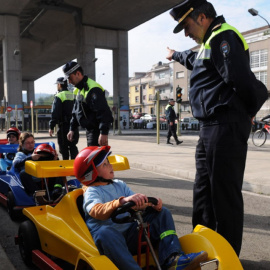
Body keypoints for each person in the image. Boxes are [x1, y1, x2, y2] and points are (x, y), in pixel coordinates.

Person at [166, 0, 268, 256]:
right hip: (210, 128)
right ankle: (204, 249)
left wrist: (245, 114)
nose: (187, 33)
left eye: (187, 26)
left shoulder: (224, 37)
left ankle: (227, 256)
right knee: (204, 191)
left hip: (225, 125)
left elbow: (240, 81)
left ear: (201, 18)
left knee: (224, 195)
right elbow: (192, 59)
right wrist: (174, 55)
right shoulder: (207, 44)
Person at [74, 146, 208, 270]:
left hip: (130, 235)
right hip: (108, 243)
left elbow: (135, 202)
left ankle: (173, 258)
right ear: (91, 174)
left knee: (163, 213)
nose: (111, 165)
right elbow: (96, 210)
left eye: (109, 161)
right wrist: (120, 202)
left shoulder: (119, 185)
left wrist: (150, 204)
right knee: (105, 232)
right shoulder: (92, 191)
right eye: (105, 164)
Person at [62, 61, 113, 146]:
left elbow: (103, 112)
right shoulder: (78, 90)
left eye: (70, 78)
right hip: (89, 131)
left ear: (78, 73)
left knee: (96, 158)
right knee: (96, 158)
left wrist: (103, 132)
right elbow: (75, 112)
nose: (69, 82)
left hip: (96, 131)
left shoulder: (93, 89)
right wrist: (72, 129)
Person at [13, 133, 62, 200]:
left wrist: (55, 159)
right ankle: (39, 195)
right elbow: (15, 164)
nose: (30, 145)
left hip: (44, 178)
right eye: (28, 143)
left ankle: (57, 190)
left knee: (60, 168)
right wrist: (31, 158)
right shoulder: (21, 154)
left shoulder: (38, 151)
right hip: (32, 181)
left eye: (32, 142)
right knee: (23, 173)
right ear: (22, 144)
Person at [49, 77, 79, 160]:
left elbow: (55, 113)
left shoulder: (59, 96)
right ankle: (74, 167)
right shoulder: (73, 95)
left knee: (64, 148)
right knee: (73, 147)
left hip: (63, 127)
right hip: (74, 126)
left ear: (59, 85)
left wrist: (51, 126)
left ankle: (66, 168)